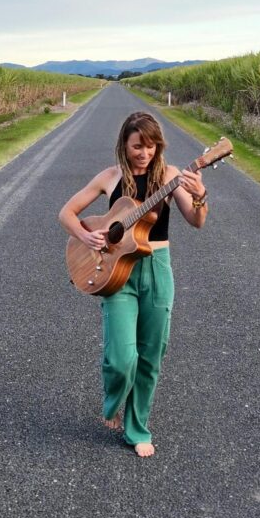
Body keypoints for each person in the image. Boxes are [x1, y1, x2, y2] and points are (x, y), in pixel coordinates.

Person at [58, 111, 208, 457]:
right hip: (115, 273)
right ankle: (113, 401)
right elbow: (66, 212)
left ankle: (136, 428)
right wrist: (86, 234)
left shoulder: (171, 177)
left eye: (152, 145)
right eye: (138, 145)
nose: (145, 152)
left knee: (151, 354)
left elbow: (197, 221)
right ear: (124, 145)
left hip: (156, 268)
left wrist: (199, 194)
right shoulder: (109, 178)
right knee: (121, 357)